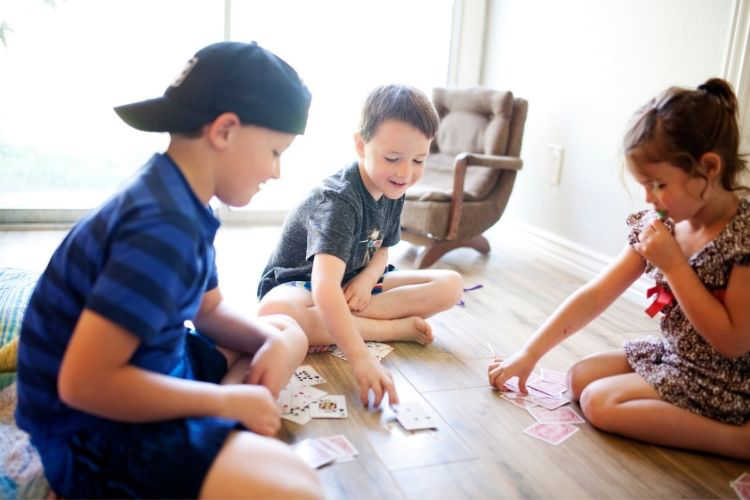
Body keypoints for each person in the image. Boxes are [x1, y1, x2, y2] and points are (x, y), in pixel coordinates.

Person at [15, 41, 323, 498]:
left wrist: (273, 343)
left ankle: (221, 431)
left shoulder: (178, 196)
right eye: (276, 151)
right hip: (90, 433)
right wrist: (227, 398)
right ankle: (218, 432)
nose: (276, 172)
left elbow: (209, 312)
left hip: (154, 365)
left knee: (287, 331)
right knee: (299, 487)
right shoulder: (162, 227)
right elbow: (84, 384)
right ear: (225, 131)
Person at [488, 78, 750, 460]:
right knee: (578, 378)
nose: (649, 198)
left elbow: (733, 342)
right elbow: (596, 295)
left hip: (725, 380)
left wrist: (674, 267)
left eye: (659, 184)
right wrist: (530, 353)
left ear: (708, 168)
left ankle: (739, 440)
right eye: (644, 184)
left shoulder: (741, 238)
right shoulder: (663, 225)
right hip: (673, 355)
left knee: (598, 403)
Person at [257, 84, 464, 407]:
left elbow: (383, 250)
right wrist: (361, 357)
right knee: (276, 312)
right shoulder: (340, 200)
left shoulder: (394, 186)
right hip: (301, 284)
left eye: (419, 160)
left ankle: (340, 323)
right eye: (393, 158)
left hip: (353, 280)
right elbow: (324, 286)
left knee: (451, 285)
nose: (405, 173)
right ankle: (392, 329)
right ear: (360, 145)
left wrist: (367, 280)